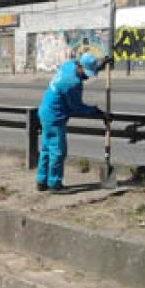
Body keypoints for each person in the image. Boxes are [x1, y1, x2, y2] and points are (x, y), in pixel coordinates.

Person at [36, 52, 109, 192]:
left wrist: (102, 63)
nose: (87, 77)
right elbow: (77, 107)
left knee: (46, 149)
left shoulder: (69, 65)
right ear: (80, 67)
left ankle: (41, 181)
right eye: (86, 73)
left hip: (45, 111)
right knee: (58, 151)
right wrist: (98, 112)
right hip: (55, 117)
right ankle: (54, 184)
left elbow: (87, 65)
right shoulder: (72, 83)